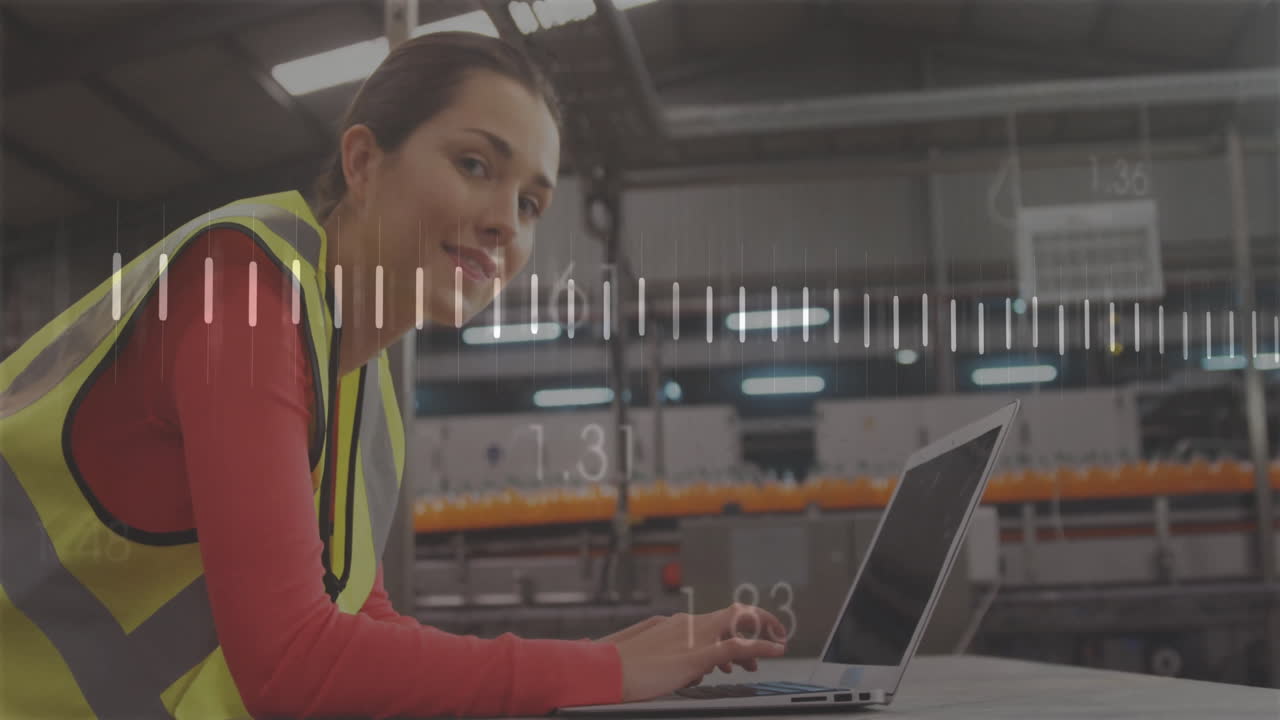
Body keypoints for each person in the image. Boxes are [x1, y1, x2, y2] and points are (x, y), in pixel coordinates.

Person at [0, 31, 787, 719]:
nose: (504, 222)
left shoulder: (363, 389)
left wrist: (596, 660)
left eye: (531, 204)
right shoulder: (243, 291)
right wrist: (602, 672)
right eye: (474, 164)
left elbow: (361, 632)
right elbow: (292, 663)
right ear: (363, 162)